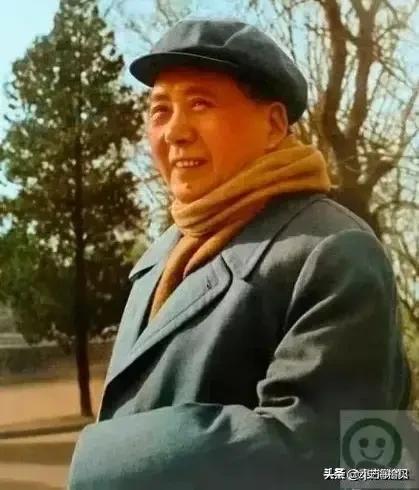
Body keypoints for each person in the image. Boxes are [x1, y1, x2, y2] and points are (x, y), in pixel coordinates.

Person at [68, 18, 410, 489]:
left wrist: (108, 460)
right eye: (160, 110)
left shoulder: (334, 250)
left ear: (273, 125)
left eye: (200, 104)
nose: (175, 131)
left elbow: (340, 455)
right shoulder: (159, 258)